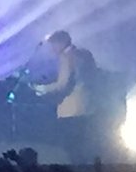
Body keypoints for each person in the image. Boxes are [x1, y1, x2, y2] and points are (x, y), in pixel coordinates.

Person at [34, 30, 100, 161]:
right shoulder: (85, 54)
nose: (52, 49)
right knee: (85, 146)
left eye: (53, 45)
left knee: (71, 148)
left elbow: (62, 84)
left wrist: (42, 89)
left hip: (71, 109)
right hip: (89, 105)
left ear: (61, 43)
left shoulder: (65, 57)